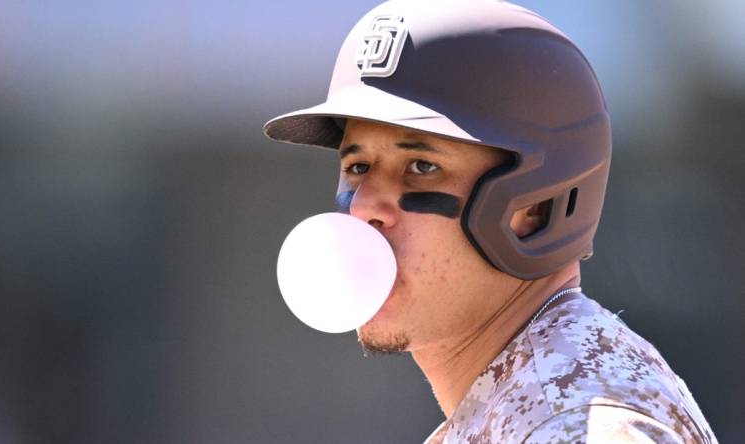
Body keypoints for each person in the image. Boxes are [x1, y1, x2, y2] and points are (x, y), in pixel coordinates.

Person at [263, 0, 718, 442]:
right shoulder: (528, 401)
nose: (363, 207)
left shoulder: (573, 422)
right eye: (358, 166)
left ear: (535, 208)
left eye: (421, 167)